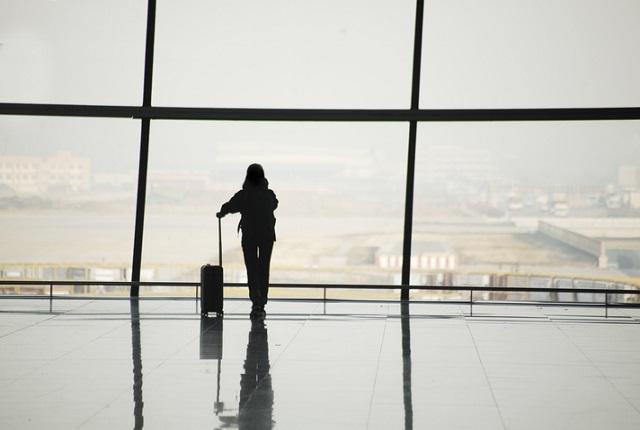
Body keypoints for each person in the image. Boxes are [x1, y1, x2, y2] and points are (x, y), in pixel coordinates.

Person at [217, 164, 278, 318]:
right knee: (264, 267)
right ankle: (262, 301)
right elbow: (274, 204)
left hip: (249, 236)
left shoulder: (244, 195)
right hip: (266, 236)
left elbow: (231, 206)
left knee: (251, 267)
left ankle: (255, 300)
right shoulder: (268, 194)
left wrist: (221, 213)